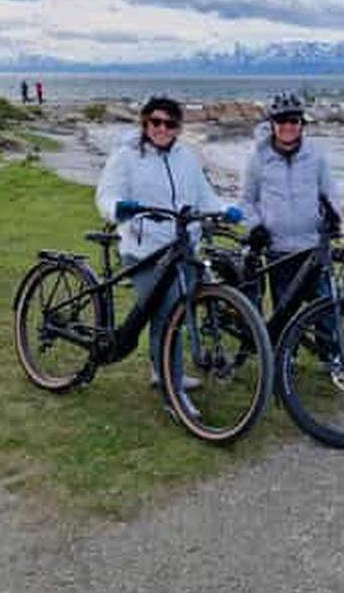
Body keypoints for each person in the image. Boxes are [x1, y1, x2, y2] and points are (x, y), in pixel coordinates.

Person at [95, 95, 240, 394]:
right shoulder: (126, 156)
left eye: (170, 123)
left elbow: (204, 196)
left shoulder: (186, 158)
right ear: (145, 122)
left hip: (181, 247)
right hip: (143, 250)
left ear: (178, 128)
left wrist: (225, 209)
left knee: (174, 312)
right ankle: (169, 379)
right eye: (156, 122)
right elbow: (106, 194)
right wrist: (119, 207)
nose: (162, 128)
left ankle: (162, 369)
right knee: (167, 308)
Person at [240, 91, 342, 312]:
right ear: (272, 124)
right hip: (278, 250)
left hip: (314, 248)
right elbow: (247, 201)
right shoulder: (259, 159)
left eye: (294, 120)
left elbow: (330, 193)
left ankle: (331, 349)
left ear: (302, 124)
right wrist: (255, 227)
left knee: (326, 314)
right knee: (286, 318)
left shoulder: (316, 156)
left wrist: (334, 216)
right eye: (281, 120)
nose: (288, 126)